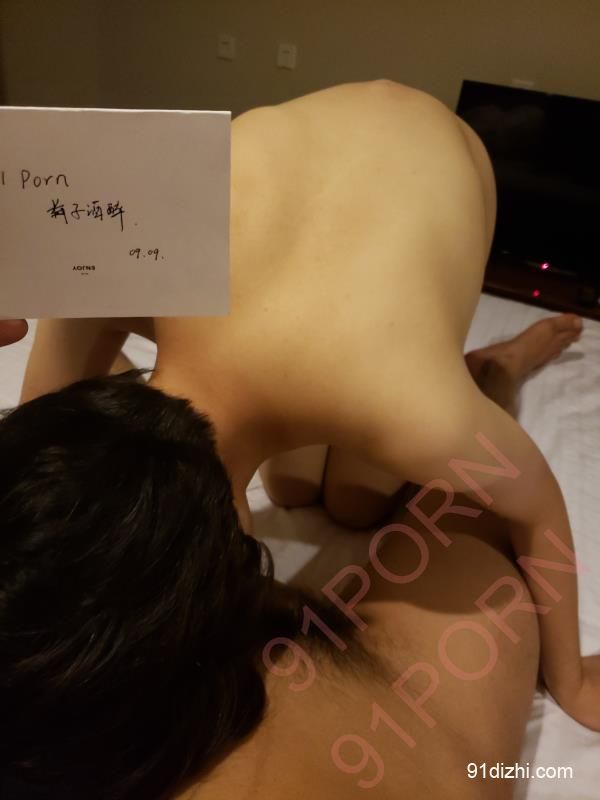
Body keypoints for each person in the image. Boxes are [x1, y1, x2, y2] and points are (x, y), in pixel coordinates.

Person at [1, 80, 597, 798]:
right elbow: (42, 447)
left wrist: (572, 677)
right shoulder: (115, 274)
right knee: (299, 486)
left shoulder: (414, 408)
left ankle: (496, 366)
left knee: (356, 502)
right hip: (290, 191)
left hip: (440, 159)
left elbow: (536, 505)